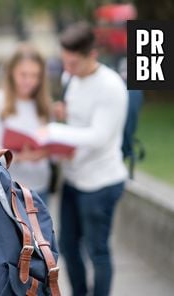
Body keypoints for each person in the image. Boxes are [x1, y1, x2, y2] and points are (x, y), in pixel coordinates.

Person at [44, 22, 128, 296]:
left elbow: (99, 136)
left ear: (92, 54)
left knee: (97, 251)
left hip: (101, 183)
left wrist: (52, 131)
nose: (67, 69)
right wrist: (61, 115)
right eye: (63, 61)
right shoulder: (71, 78)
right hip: (73, 178)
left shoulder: (111, 86)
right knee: (67, 246)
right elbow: (76, 123)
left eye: (73, 62)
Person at [0, 43, 53, 203]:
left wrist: (48, 152)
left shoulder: (44, 105)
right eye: (23, 75)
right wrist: (20, 157)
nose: (29, 81)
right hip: (8, 190)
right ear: (11, 73)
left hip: (40, 189)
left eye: (35, 76)